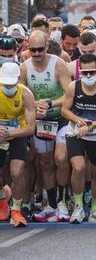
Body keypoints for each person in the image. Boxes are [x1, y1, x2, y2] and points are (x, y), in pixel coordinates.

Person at [23, 31, 73, 223]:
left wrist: (50, 104)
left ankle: (62, 201)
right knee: (45, 162)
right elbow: (22, 95)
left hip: (59, 118)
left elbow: (69, 95)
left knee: (60, 158)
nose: (36, 54)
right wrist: (37, 106)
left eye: (40, 50)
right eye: (32, 50)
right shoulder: (24, 67)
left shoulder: (58, 64)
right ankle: (52, 205)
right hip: (41, 120)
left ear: (47, 47)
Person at [60, 53, 96, 223]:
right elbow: (65, 110)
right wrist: (77, 120)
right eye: (85, 73)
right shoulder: (73, 87)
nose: (89, 76)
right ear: (80, 72)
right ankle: (78, 207)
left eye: (92, 72)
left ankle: (95, 209)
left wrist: (90, 126)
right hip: (76, 132)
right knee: (78, 167)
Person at [0, 62, 36, 227]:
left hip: (18, 133)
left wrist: (10, 134)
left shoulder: (25, 94)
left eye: (11, 84)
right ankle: (3, 199)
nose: (8, 87)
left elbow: (30, 127)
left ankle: (16, 209)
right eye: (5, 84)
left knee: (17, 171)